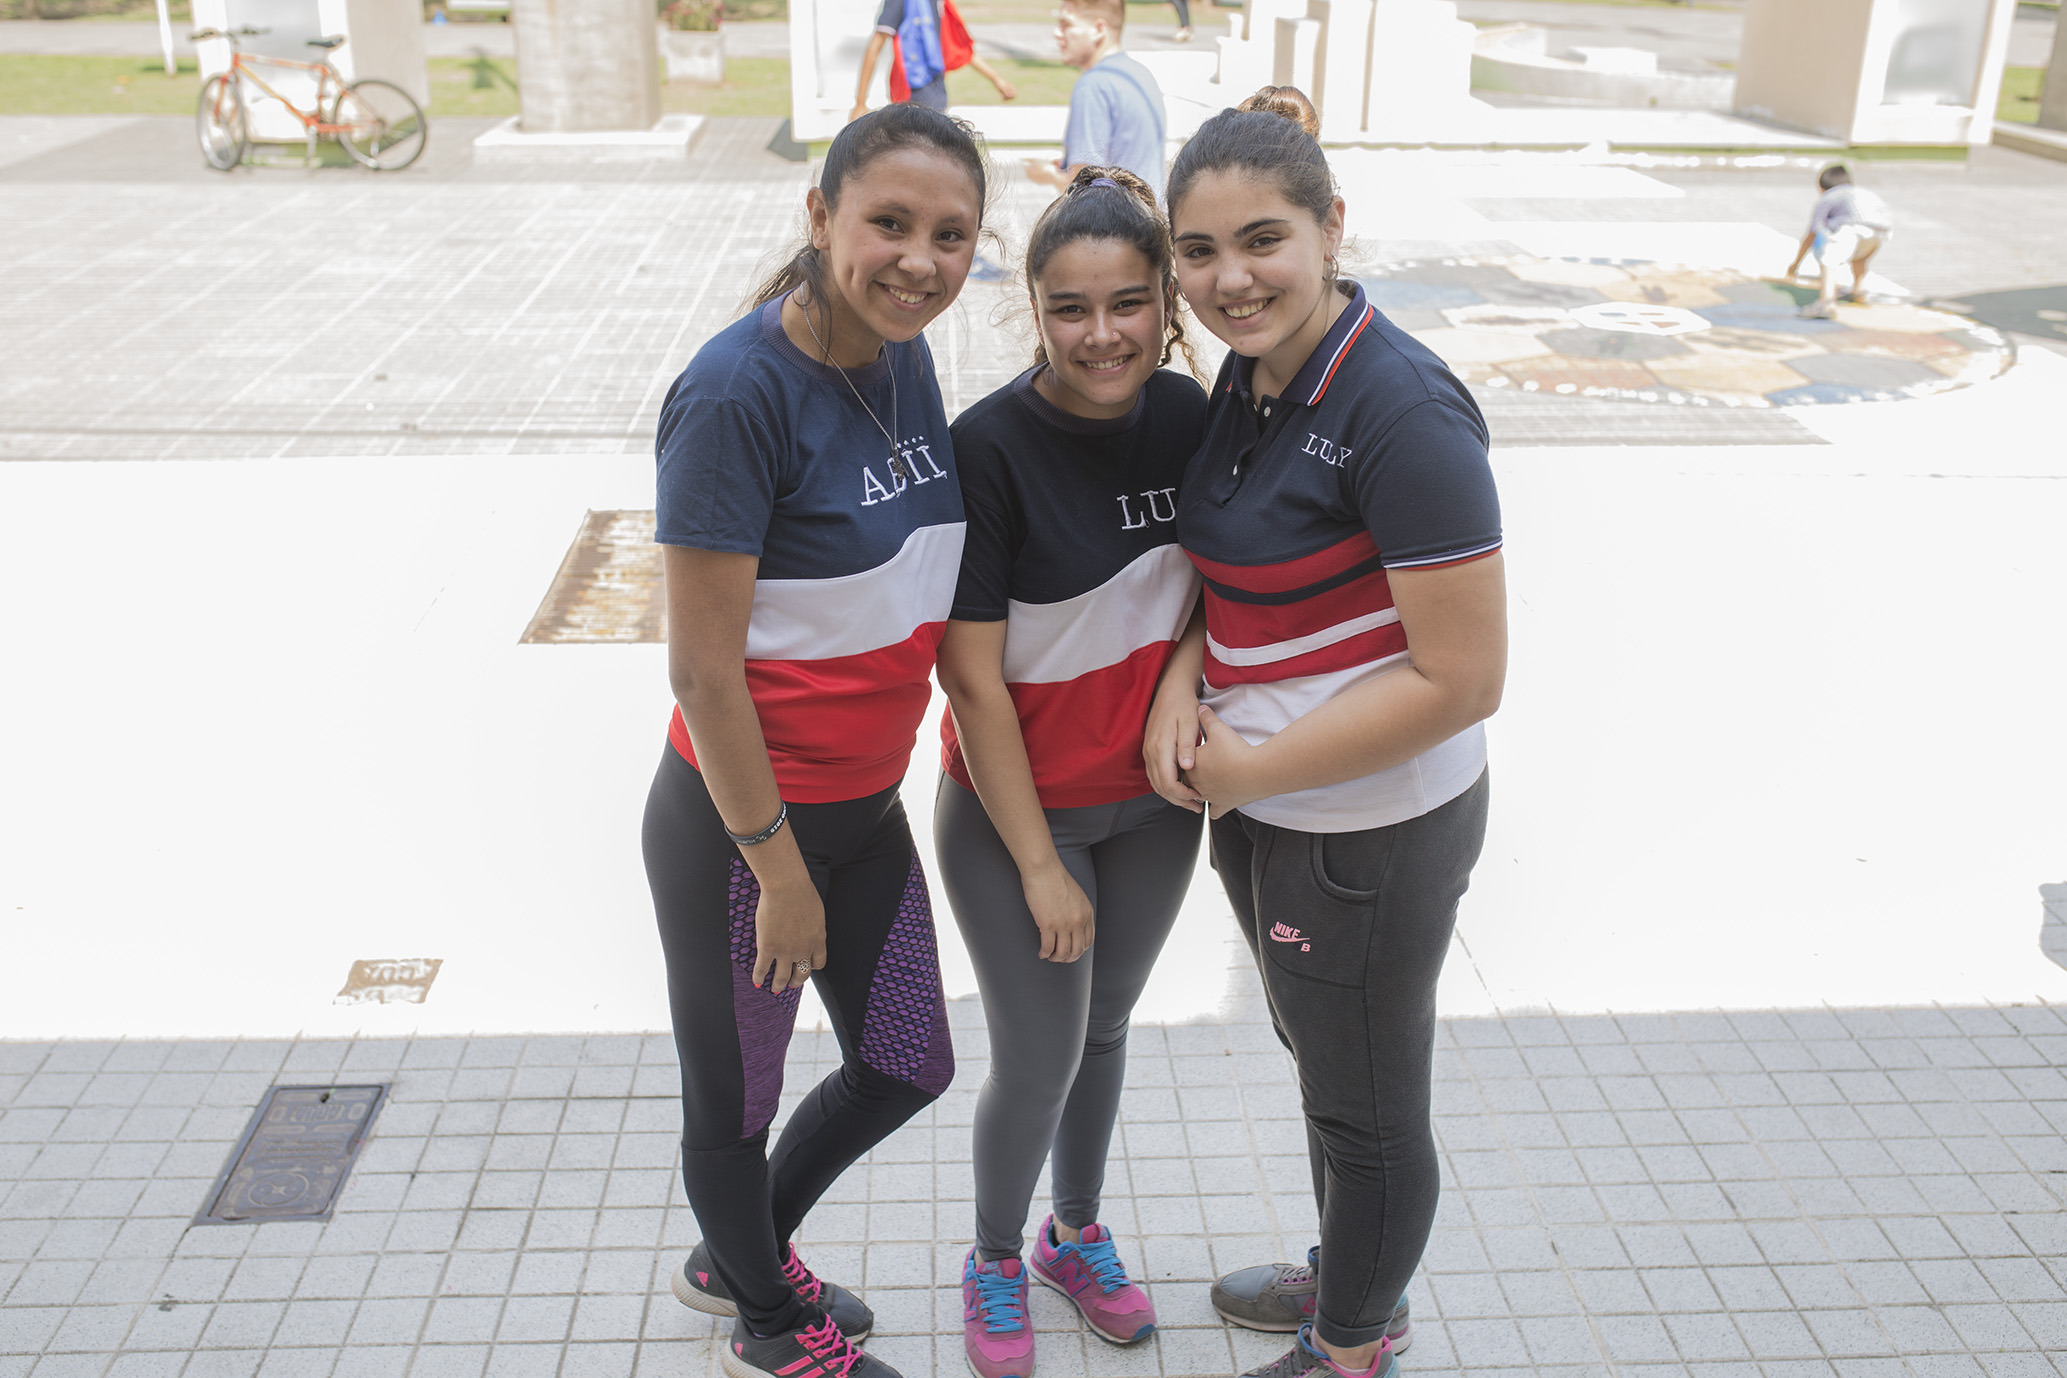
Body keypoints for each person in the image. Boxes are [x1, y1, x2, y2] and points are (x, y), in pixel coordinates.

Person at [1153, 86, 1507, 1378]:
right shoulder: (1250, 377)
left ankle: (1352, 1340)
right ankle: (1354, 1271)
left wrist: (1249, 765)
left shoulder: (1399, 410)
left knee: (1366, 1108)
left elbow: (1462, 676)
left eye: (1263, 241)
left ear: (1330, 228)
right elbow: (1229, 574)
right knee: (1325, 1064)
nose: (1229, 279)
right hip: (1267, 809)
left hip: (1366, 822)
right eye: (1198, 251)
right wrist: (1179, 681)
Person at [641, 103, 990, 1378]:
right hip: (743, 832)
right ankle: (772, 1326)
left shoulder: (903, 355)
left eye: (951, 235)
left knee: (907, 1061)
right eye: (888, 223)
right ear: (820, 215)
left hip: (865, 808)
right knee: (733, 1105)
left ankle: (742, 1255)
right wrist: (778, 870)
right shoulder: (735, 395)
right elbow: (701, 669)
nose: (919, 261)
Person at [932, 166, 1210, 1378]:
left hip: (1155, 808)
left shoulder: (1192, 415)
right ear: (1033, 311)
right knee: (1041, 1051)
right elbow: (971, 680)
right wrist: (1040, 863)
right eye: (1071, 309)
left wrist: (1184, 678)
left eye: (1130, 303)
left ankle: (1074, 1235)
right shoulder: (988, 448)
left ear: (1166, 304)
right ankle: (996, 1255)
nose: (1104, 334)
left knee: (1104, 1030)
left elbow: (1226, 582)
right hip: (1014, 817)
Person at [1027, 0, 1168, 200]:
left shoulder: (1093, 85)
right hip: (1150, 212)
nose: (1057, 33)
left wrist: (1047, 174)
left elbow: (1083, 190)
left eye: (1066, 25)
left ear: (1099, 29)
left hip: (1116, 215)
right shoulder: (1140, 73)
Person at [852, 0, 1017, 120]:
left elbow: (958, 47)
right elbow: (876, 44)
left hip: (936, 88)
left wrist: (997, 79)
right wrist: (860, 102)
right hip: (912, 89)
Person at [1785, 163, 1893, 319]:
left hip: (1854, 227)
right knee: (1859, 257)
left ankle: (1826, 303)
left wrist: (1795, 264)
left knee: (1829, 259)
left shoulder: (1829, 196)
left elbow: (1812, 233)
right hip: (1882, 231)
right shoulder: (1862, 192)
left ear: (1822, 187)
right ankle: (1858, 291)